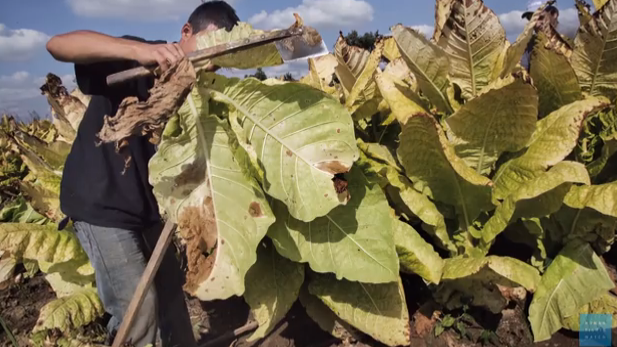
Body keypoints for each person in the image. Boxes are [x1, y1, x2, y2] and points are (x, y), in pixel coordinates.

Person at [45, 1, 240, 346]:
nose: (209, 61)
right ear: (185, 33)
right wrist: (139, 50)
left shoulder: (202, 93)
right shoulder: (139, 56)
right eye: (205, 47)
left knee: (173, 308)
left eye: (219, 56)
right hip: (103, 207)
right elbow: (58, 44)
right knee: (139, 313)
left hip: (151, 214)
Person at [520, 0, 560, 70]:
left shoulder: (574, 39)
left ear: (554, 14)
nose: (537, 24)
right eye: (532, 20)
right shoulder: (529, 47)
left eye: (541, 18)